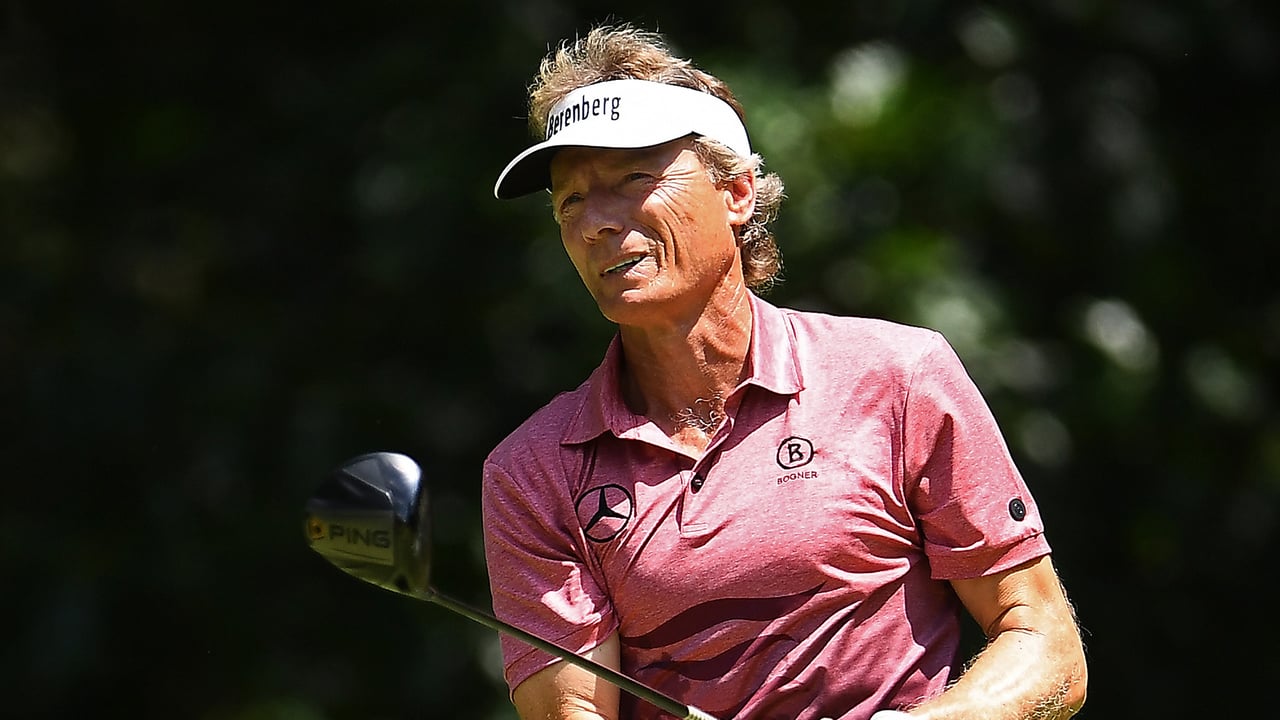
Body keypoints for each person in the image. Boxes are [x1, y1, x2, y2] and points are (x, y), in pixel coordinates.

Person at [480, 24, 1087, 720]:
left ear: (735, 191)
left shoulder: (898, 377)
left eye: (632, 179)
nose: (594, 224)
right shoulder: (532, 472)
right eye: (570, 201)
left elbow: (1046, 647)